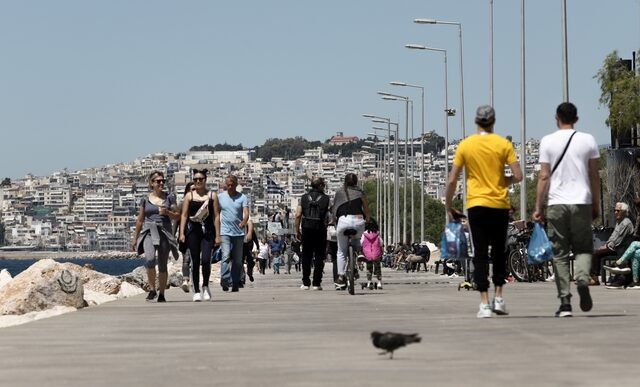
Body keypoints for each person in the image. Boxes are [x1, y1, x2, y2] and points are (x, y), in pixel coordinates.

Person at [445, 105, 522, 318]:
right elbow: (518, 175)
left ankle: (484, 303)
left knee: (479, 254)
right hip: (499, 205)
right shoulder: (503, 144)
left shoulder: (466, 146)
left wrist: (449, 205)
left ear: (476, 122)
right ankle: (499, 297)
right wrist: (501, 180)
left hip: (476, 206)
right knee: (499, 252)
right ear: (493, 122)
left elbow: (452, 179)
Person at [534, 102, 600, 317]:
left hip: (556, 204)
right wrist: (596, 204)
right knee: (583, 248)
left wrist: (538, 207)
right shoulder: (588, 140)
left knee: (560, 254)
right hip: (581, 201)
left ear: (556, 118)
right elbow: (594, 176)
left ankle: (565, 303)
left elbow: (544, 176)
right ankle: (582, 278)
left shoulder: (547, 142)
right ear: (576, 119)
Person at [132, 171, 180, 303]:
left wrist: (168, 212)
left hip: (164, 231)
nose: (161, 183)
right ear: (151, 183)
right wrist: (135, 238)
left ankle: (162, 294)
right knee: (150, 259)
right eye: (158, 181)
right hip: (149, 231)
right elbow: (140, 220)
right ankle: (152, 289)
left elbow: (178, 215)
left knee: (163, 264)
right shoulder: (145, 200)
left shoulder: (170, 198)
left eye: (162, 181)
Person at [179, 169, 221, 302]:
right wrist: (181, 233)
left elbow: (216, 215)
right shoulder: (189, 196)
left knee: (206, 260)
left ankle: (205, 286)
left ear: (205, 180)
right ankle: (196, 290)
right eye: (196, 179)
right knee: (195, 260)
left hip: (207, 231)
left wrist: (218, 235)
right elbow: (184, 215)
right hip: (193, 231)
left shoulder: (212, 196)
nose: (198, 181)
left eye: (200, 179)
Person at [332, 173, 370, 290]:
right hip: (358, 220)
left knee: (341, 251)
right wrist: (367, 219)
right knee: (358, 239)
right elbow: (366, 208)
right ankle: (359, 253)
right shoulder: (360, 192)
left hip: (343, 221)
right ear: (356, 182)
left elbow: (334, 209)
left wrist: (334, 221)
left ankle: (341, 276)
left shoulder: (339, 192)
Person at [294, 176, 330, 290]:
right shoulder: (326, 198)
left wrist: (297, 230)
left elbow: (298, 214)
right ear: (320, 186)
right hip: (320, 228)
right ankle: (316, 283)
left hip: (306, 228)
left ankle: (305, 282)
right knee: (319, 256)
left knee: (306, 255)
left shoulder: (304, 198)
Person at [217, 174, 250, 292]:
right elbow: (216, 214)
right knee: (225, 256)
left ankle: (235, 282)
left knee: (237, 260)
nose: (230, 186)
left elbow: (246, 212)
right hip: (225, 232)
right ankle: (225, 279)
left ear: (236, 184)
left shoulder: (242, 197)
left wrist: (244, 221)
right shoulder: (220, 197)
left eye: (232, 184)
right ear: (226, 185)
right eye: (228, 184)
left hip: (239, 233)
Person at [590, 202, 634, 285]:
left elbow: (618, 241)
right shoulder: (619, 222)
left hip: (621, 249)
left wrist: (606, 246)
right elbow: (612, 237)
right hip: (615, 247)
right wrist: (605, 245)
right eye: (615, 210)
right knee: (595, 252)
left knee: (596, 253)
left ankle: (594, 278)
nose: (615, 212)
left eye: (618, 210)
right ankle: (592, 277)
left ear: (624, 212)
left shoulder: (626, 223)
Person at [178, 182, 195, 292]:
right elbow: (177, 221)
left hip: (199, 235)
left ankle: (194, 281)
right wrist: (178, 234)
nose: (193, 192)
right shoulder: (182, 204)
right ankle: (185, 280)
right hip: (186, 235)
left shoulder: (202, 203)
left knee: (197, 259)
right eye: (191, 190)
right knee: (186, 258)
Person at [361, 219, 383, 290]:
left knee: (369, 268)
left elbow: (361, 243)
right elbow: (381, 243)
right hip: (376, 254)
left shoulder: (364, 234)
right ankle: (379, 283)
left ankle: (369, 282)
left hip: (368, 254)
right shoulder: (377, 234)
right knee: (378, 268)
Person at [241, 218, 259, 285]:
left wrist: (258, 247)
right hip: (241, 248)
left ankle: (250, 273)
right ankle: (242, 278)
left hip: (249, 249)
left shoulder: (250, 230)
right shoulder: (240, 228)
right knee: (240, 262)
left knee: (251, 262)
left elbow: (255, 239)